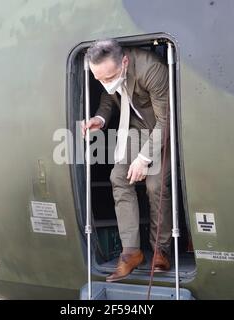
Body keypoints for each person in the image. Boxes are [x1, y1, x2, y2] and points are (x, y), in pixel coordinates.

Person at [82, 39, 172, 282]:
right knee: (118, 177)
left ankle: (160, 251)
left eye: (109, 77)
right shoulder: (107, 73)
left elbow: (166, 122)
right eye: (99, 78)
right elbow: (109, 96)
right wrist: (100, 119)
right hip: (137, 128)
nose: (105, 83)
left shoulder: (151, 70)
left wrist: (143, 158)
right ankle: (131, 252)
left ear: (124, 62)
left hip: (163, 129)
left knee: (155, 186)